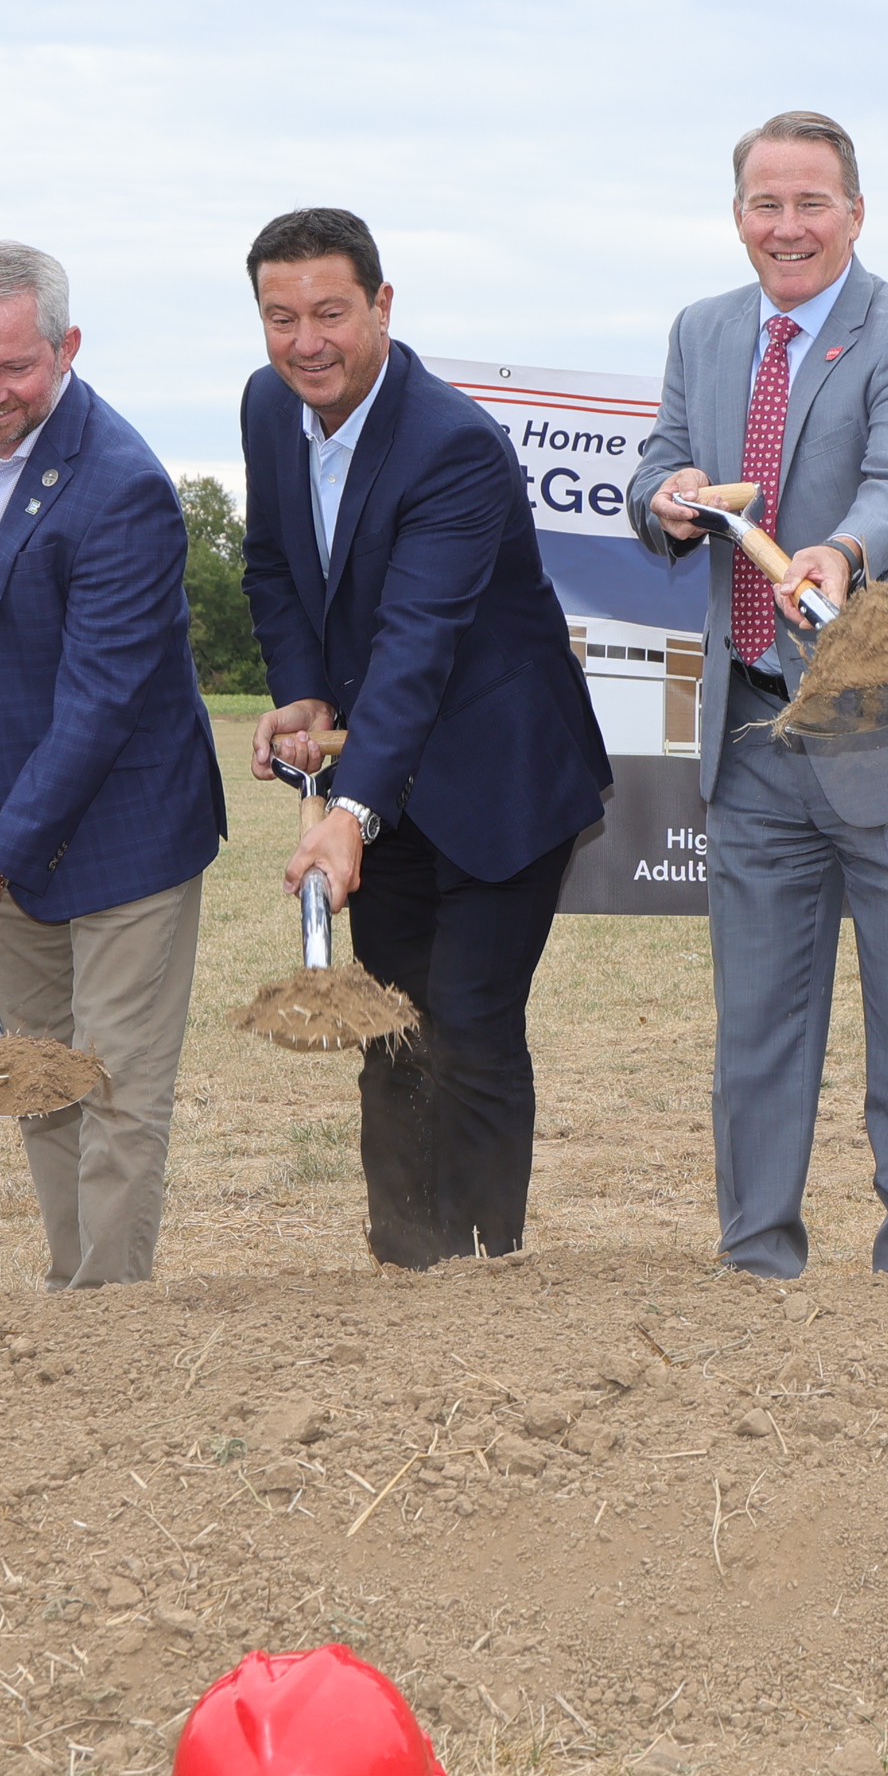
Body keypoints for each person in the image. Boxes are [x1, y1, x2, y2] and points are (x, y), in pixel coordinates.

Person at [629, 111, 888, 1276]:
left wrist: (840, 552)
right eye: (766, 205)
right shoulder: (702, 330)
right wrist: (667, 493)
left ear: (856, 214)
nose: (788, 227)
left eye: (811, 204)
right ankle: (756, 1263)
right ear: (738, 218)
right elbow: (656, 460)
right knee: (757, 1033)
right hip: (752, 735)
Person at [236, 209, 611, 1267]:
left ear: (383, 307)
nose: (306, 341)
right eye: (281, 317)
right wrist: (304, 698)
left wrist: (349, 810)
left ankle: (489, 1265)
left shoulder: (453, 444)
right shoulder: (270, 408)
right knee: (392, 1026)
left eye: (330, 313)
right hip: (383, 763)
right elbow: (273, 567)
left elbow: (419, 640)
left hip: (501, 778)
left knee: (472, 1023)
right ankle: (406, 1261)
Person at [0, 241, 225, 1289]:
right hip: (6, 825)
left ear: (65, 347)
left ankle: (108, 1322)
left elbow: (99, 706)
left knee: (111, 1090)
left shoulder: (124, 487)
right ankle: (74, 1295)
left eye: (15, 368)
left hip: (125, 834)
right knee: (42, 1080)